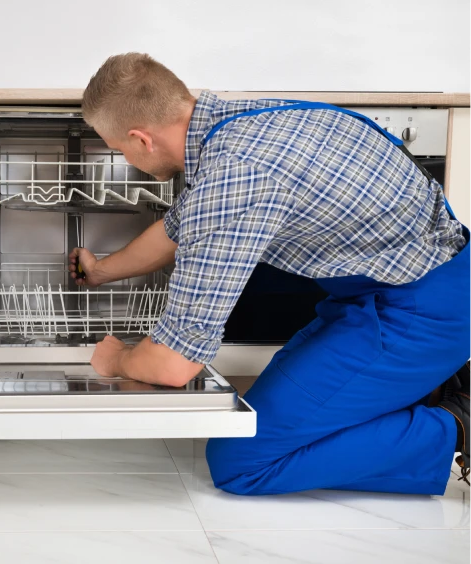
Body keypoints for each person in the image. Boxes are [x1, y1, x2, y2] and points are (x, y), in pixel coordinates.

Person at [70, 52, 471, 496]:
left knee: (242, 462)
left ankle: (457, 425)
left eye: (118, 149)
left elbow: (172, 366)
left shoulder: (234, 177)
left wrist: (116, 359)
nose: (124, 159)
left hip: (422, 312)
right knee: (287, 418)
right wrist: (101, 271)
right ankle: (425, 389)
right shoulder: (242, 121)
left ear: (141, 139)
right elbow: (177, 229)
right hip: (387, 294)